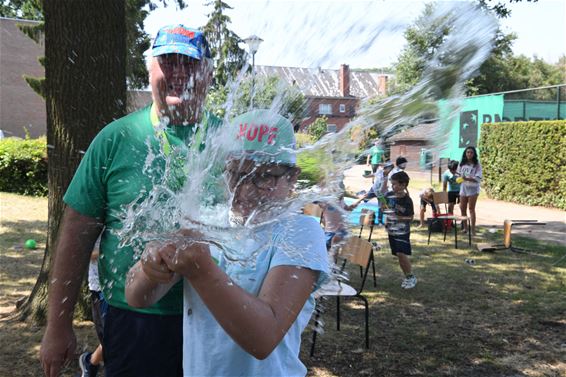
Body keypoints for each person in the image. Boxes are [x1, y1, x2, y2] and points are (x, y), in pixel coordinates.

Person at [40, 24, 218, 377]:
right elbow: (76, 233)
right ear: (150, 69)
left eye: (191, 63)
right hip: (136, 323)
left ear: (209, 74)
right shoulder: (115, 139)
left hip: (214, 319)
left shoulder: (230, 142)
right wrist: (58, 326)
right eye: (169, 61)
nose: (180, 73)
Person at [125, 110, 329, 376]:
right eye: (236, 174)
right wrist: (149, 268)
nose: (245, 190)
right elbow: (136, 297)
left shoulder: (300, 232)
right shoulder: (207, 222)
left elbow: (263, 338)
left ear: (292, 178)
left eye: (264, 176)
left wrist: (202, 271)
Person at [383, 171, 416, 289]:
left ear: (403, 185)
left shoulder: (407, 201)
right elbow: (384, 208)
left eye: (395, 184)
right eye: (392, 184)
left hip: (402, 231)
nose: (393, 187)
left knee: (401, 254)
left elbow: (411, 217)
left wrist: (398, 218)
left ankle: (411, 277)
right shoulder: (389, 195)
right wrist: (385, 211)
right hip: (392, 230)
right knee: (398, 254)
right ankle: (407, 276)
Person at [79, 238, 106, 377]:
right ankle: (90, 362)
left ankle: (90, 362)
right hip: (101, 289)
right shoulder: (95, 222)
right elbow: (84, 252)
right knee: (113, 338)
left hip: (126, 287)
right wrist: (113, 249)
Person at [318, 182, 361, 251]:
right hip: (329, 231)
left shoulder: (341, 200)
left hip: (341, 231)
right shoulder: (327, 202)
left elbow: (346, 208)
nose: (341, 195)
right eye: (338, 192)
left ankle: (333, 260)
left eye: (342, 192)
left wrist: (351, 207)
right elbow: (317, 201)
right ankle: (329, 260)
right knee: (325, 250)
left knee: (334, 243)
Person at [458, 146, 482, 235]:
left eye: (471, 152)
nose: (469, 154)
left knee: (471, 209)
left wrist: (467, 178)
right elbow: (459, 175)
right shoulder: (462, 163)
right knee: (462, 208)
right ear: (465, 153)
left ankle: (473, 230)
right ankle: (465, 228)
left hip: (473, 189)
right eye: (468, 152)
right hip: (463, 188)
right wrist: (459, 179)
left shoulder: (477, 164)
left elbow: (478, 178)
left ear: (474, 154)